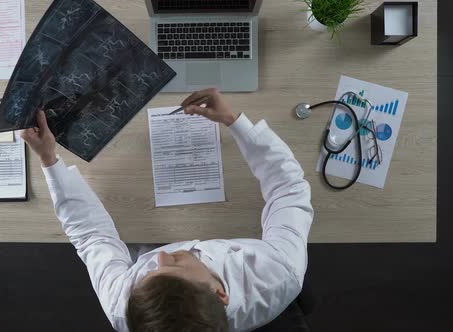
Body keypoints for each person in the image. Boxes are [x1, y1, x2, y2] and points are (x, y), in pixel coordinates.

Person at [21, 88, 313, 332]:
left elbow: (92, 237)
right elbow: (288, 189)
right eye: (174, 266)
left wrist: (49, 158)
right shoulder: (279, 272)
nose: (159, 255)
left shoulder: (123, 305)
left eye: (148, 273)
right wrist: (235, 121)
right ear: (220, 293)